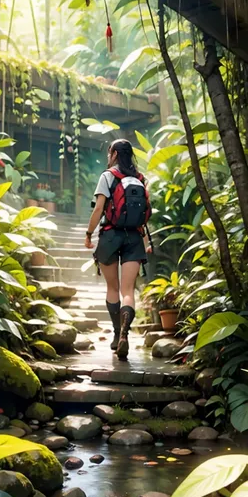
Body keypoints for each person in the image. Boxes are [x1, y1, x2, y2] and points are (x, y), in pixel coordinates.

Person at [85, 138, 152, 359]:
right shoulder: (141, 179)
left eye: (109, 152)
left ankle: (116, 335)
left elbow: (99, 210)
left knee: (113, 289)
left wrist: (88, 234)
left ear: (114, 154)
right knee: (127, 291)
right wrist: (145, 243)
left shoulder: (108, 176)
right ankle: (125, 334)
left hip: (111, 236)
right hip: (134, 237)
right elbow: (142, 217)